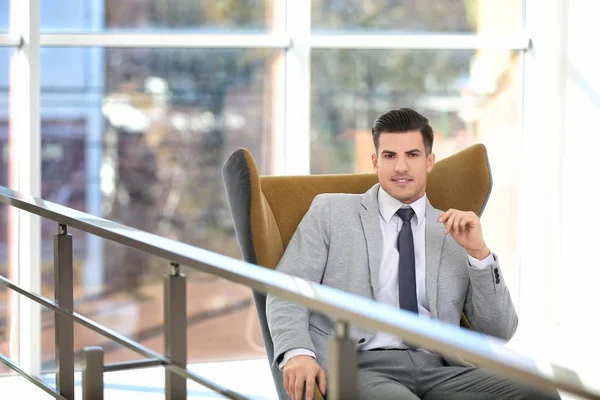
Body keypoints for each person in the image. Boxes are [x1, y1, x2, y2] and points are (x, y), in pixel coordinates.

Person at [266, 108, 559, 400]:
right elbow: (286, 289)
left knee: (540, 393)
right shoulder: (331, 212)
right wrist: (297, 353)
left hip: (440, 368)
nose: (401, 167)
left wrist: (478, 254)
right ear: (375, 162)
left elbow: (499, 331)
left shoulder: (453, 230)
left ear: (430, 161)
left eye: (413, 155)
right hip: (359, 366)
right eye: (390, 156)